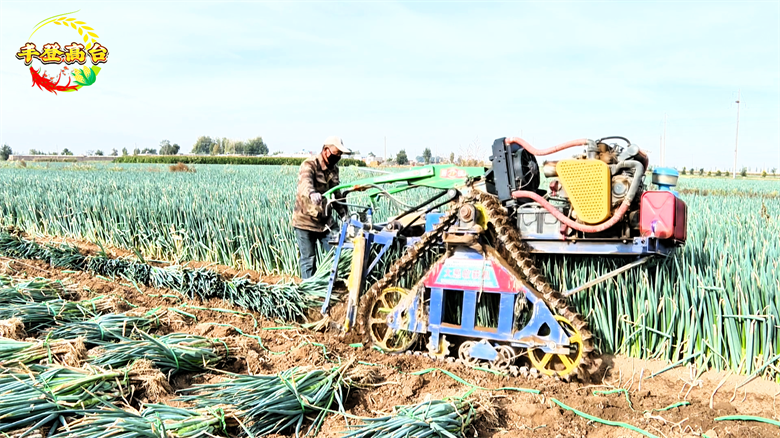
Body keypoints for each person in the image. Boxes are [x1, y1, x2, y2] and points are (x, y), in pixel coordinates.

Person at [292, 136, 350, 279]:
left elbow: (336, 193)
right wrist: (312, 193)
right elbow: (305, 183)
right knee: (309, 260)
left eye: (340, 155)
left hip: (325, 222)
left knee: (338, 252)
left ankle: (334, 286)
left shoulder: (334, 170)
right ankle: (310, 293)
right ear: (326, 151)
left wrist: (345, 214)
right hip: (305, 221)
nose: (338, 157)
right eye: (336, 154)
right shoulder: (310, 164)